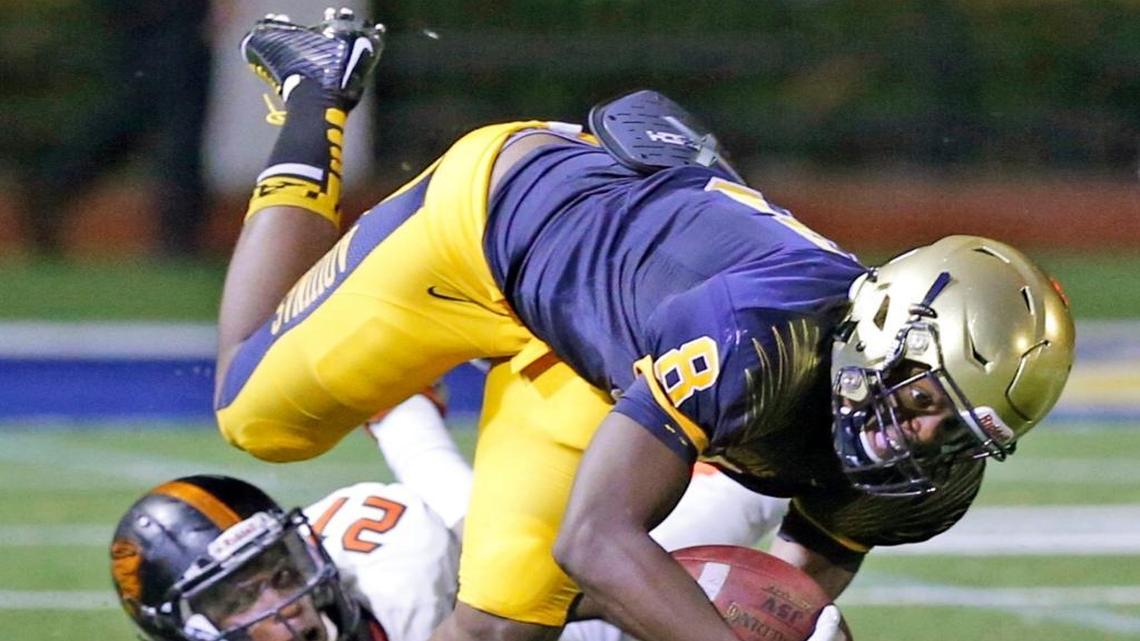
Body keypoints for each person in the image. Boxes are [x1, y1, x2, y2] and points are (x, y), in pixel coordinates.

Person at [211, 9, 1076, 641]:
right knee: (255, 416)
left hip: (610, 360)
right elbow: (597, 538)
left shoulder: (927, 478)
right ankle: (313, 90)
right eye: (923, 398)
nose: (921, 436)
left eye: (959, 429)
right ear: (883, 330)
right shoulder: (761, 336)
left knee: (506, 618)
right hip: (490, 230)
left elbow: (785, 589)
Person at [110, 392, 796, 641]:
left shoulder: (395, 575)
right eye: (240, 599)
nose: (283, 606)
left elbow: (510, 555)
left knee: (749, 488)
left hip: (540, 611)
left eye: (278, 573)